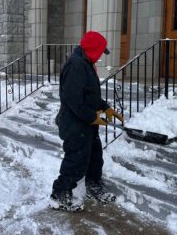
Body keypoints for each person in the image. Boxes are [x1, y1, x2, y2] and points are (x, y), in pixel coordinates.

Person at [50, 31, 124, 212]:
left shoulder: (86, 63)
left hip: (86, 123)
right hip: (75, 124)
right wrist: (93, 117)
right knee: (76, 159)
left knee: (94, 156)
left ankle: (93, 185)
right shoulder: (76, 65)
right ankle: (59, 194)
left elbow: (88, 94)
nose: (100, 56)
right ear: (92, 49)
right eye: (100, 51)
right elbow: (73, 99)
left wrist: (105, 107)